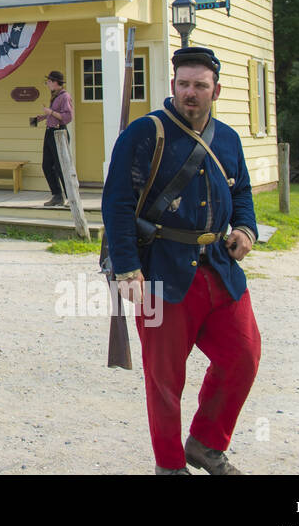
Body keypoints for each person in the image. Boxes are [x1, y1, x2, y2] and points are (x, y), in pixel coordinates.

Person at [102, 46, 260, 475]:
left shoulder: (226, 138)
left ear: (216, 90)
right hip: (160, 271)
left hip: (219, 269)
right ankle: (169, 466)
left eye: (200, 86)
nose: (190, 93)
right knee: (165, 381)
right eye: (184, 84)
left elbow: (242, 192)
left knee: (243, 357)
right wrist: (128, 269)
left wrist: (245, 229)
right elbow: (116, 204)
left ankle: (206, 445)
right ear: (173, 86)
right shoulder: (143, 133)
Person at [36, 70, 75, 207]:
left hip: (59, 132)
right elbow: (55, 115)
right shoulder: (55, 96)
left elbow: (67, 117)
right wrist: (42, 117)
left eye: (49, 81)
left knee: (61, 166)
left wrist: (50, 112)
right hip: (50, 132)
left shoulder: (65, 97)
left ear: (56, 83)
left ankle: (71, 197)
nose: (47, 84)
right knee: (46, 165)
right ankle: (57, 195)